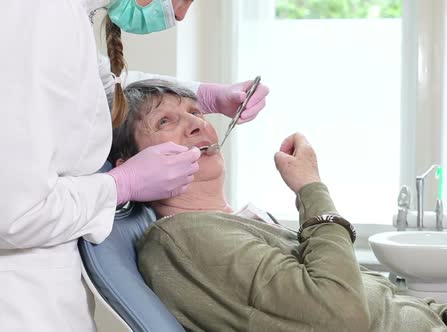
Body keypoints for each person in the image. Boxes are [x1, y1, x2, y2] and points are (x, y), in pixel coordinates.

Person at [109, 80, 447, 332]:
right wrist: (311, 189)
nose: (196, 125)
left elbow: (363, 292)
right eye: (166, 121)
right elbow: (340, 316)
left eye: (196, 112)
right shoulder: (186, 239)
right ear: (133, 161)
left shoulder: (233, 223)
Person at [0, 1, 268, 330]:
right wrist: (120, 185)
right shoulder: (33, 13)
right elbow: (14, 215)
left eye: (196, 114)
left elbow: (88, 82)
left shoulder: (59, 14)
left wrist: (204, 94)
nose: (179, 14)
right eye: (181, 0)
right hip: (20, 302)